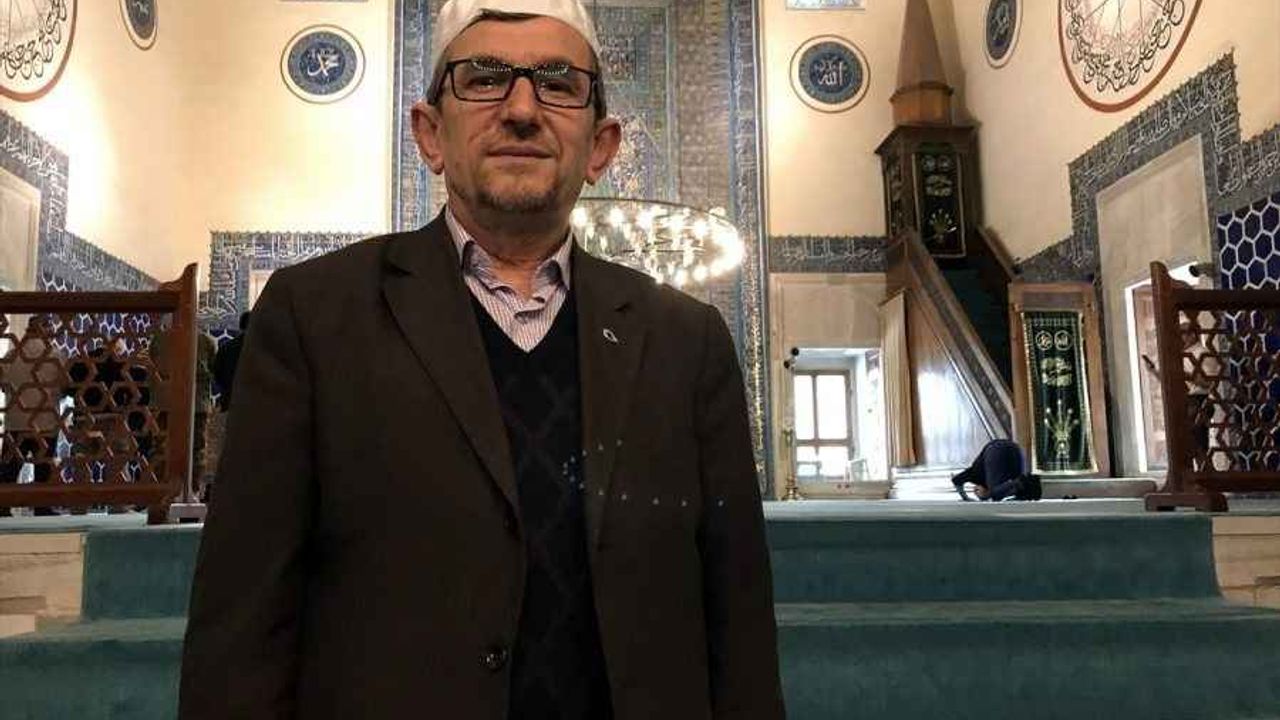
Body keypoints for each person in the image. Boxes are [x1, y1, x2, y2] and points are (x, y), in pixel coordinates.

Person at [179, 0, 785, 717]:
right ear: (430, 133)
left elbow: (738, 622)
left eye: (558, 84)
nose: (523, 109)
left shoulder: (687, 342)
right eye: (485, 78)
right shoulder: (314, 318)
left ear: (601, 147)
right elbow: (242, 623)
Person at [0, 315, 64, 517]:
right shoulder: (55, 355)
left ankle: (3, 506)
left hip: (16, 421)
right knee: (43, 468)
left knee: (9, 468)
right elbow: (64, 385)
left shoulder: (12, 354)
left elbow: (3, 384)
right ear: (46, 329)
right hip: (44, 422)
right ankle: (41, 507)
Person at [951, 439, 1041, 502]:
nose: (977, 492)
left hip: (996, 449)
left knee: (996, 494)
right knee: (1017, 488)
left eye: (977, 492)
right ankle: (1026, 485)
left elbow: (956, 480)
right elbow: (957, 481)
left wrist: (966, 498)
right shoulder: (988, 475)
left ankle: (1023, 482)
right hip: (1013, 447)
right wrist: (966, 497)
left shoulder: (975, 473)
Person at [211, 312, 250, 412]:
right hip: (252, 402)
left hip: (229, 399)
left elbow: (217, 374)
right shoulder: (261, 351)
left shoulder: (226, 347)